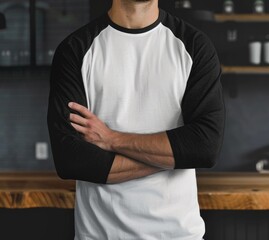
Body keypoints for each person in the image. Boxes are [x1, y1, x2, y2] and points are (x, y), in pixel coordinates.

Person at [47, 0, 225, 239]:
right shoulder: (75, 50)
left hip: (178, 235)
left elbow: (205, 147)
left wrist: (112, 140)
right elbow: (71, 160)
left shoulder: (194, 45)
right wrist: (177, 154)